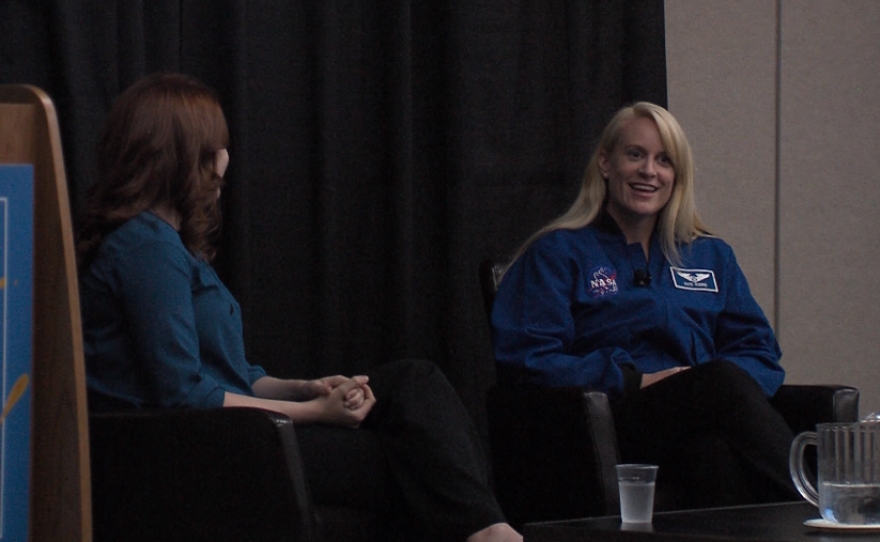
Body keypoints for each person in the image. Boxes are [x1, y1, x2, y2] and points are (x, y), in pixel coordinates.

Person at [76, 73, 521, 542]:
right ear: (182, 155)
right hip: (205, 450)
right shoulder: (146, 247)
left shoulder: (169, 247)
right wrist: (315, 413)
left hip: (234, 432)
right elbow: (184, 396)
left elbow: (235, 374)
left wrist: (302, 389)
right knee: (419, 463)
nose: (225, 160)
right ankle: (490, 532)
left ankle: (491, 531)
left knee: (414, 384)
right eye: (216, 148)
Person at [491, 101, 800, 509]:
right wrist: (634, 379)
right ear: (605, 164)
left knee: (713, 452)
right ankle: (818, 503)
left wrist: (700, 388)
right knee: (718, 381)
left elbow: (760, 354)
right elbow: (527, 359)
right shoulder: (558, 253)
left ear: (678, 176)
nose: (649, 171)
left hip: (700, 418)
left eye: (664, 160)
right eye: (635, 155)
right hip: (609, 422)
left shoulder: (710, 256)